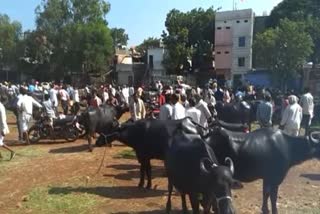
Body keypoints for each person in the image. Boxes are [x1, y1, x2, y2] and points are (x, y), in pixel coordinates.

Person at [0, 96, 15, 160]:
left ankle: (12, 151)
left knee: (0, 142)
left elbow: (3, 119)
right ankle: (0, 156)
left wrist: (3, 129)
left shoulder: (0, 107)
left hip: (1, 127)